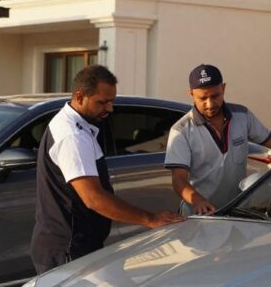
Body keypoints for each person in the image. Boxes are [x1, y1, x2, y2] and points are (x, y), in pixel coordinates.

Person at [31, 65, 184, 273]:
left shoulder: (76, 126)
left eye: (112, 101)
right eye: (102, 102)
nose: (110, 109)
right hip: (69, 250)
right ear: (79, 96)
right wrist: (151, 219)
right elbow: (93, 198)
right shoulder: (72, 137)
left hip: (72, 246)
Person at [165, 64, 271, 215]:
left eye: (215, 96)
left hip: (235, 212)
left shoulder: (242, 116)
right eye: (203, 98)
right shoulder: (181, 130)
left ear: (223, 88)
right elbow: (179, 179)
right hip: (199, 214)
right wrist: (198, 201)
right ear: (191, 94)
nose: (210, 104)